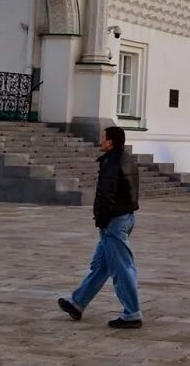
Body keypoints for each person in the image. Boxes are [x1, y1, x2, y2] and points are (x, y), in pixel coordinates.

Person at [57, 125, 142, 328]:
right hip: (125, 216)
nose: (101, 140)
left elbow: (106, 194)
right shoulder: (127, 159)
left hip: (114, 221)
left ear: (111, 142)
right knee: (102, 266)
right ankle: (78, 304)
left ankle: (132, 314)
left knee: (122, 267)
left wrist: (102, 220)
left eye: (104, 138)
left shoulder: (112, 163)